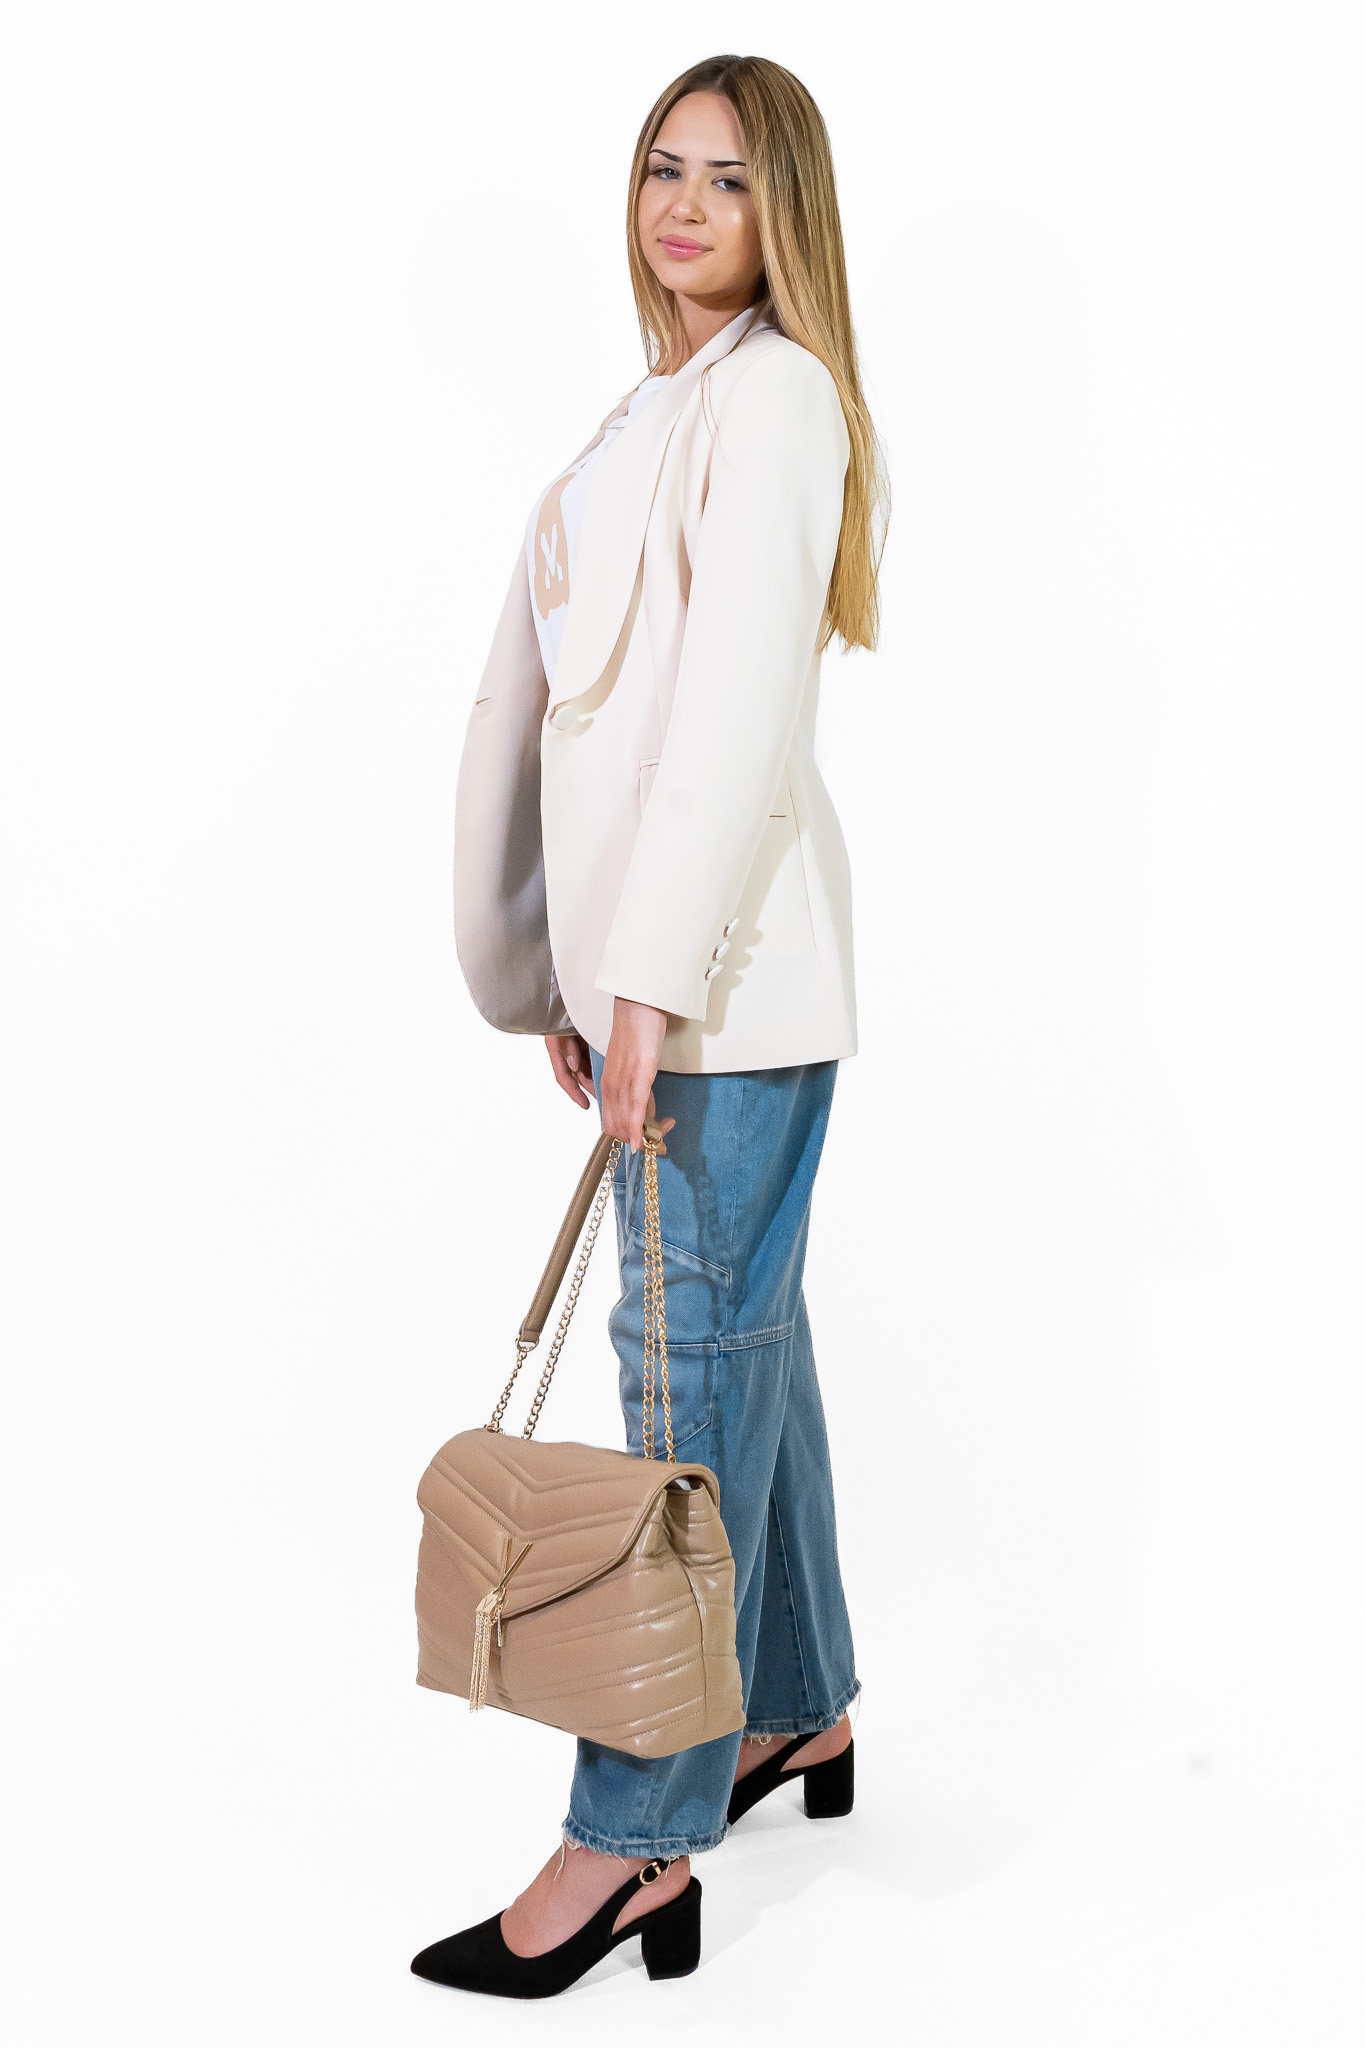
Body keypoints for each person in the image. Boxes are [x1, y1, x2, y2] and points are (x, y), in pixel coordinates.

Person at [412, 51, 887, 1998]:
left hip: (725, 986)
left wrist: (647, 976)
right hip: (673, 974)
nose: (683, 207)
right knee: (735, 1349)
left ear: (787, 214)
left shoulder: (774, 399)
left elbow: (734, 710)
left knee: (680, 1375)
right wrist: (564, 960)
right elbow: (586, 717)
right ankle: (793, 1704)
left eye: (728, 179)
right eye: (660, 170)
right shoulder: (657, 401)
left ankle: (634, 1830)